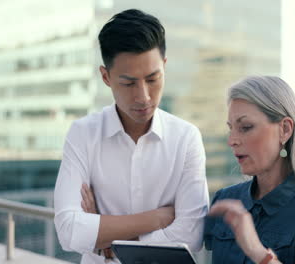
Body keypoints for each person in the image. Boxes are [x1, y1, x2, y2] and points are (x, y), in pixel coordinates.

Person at [54, 9, 209, 264]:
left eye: (153, 79)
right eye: (128, 83)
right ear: (106, 77)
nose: (144, 96)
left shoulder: (186, 138)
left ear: (165, 67)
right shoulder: (83, 134)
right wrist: (157, 219)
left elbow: (191, 234)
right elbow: (68, 231)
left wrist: (105, 242)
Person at [204, 76, 295, 264]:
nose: (232, 140)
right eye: (231, 129)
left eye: (245, 127)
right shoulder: (226, 200)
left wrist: (258, 253)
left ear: (284, 129)